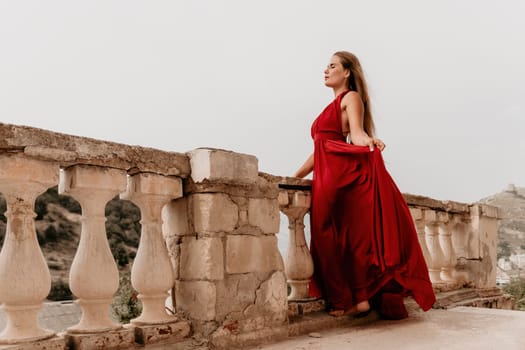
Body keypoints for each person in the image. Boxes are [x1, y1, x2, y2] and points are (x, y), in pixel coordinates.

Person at [294, 51, 436, 319]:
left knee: (338, 236)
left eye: (332, 66)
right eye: (326, 66)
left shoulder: (351, 97)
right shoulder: (330, 106)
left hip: (338, 175)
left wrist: (370, 141)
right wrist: (294, 177)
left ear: (346, 72)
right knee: (328, 236)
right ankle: (355, 299)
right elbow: (320, 149)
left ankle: (354, 299)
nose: (326, 70)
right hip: (325, 174)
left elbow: (357, 134)